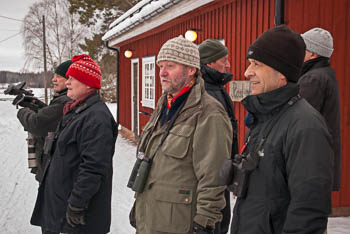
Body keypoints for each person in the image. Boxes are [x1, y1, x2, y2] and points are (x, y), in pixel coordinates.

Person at [230, 26, 333, 234]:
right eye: (250, 63)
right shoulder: (264, 117)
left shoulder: (305, 126)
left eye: (256, 64)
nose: (247, 72)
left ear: (282, 73)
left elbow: (308, 212)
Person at [128, 35, 232, 234]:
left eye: (171, 66)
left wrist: (204, 222)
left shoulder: (209, 113)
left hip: (180, 224)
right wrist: (139, 204)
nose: (162, 73)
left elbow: (213, 177)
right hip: (151, 218)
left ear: (191, 69)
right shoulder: (163, 104)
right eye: (160, 66)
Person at [30, 54, 118, 234]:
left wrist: (77, 204)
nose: (67, 82)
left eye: (72, 78)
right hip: (61, 206)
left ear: (88, 84)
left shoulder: (96, 117)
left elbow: (93, 167)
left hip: (77, 217)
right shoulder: (76, 111)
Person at [199, 39, 238, 234]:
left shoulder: (216, 87)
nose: (228, 65)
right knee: (217, 223)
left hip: (221, 169)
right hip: (214, 174)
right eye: (224, 60)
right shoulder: (207, 91)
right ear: (209, 62)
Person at [298, 27, 341, 191]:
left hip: (311, 158)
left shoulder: (313, 79)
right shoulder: (324, 73)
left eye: (303, 48)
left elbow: (299, 118)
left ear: (313, 54)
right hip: (318, 157)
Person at [17, 60, 72, 182]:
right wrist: (35, 103)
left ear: (69, 80)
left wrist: (23, 111)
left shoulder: (65, 101)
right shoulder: (64, 99)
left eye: (58, 76)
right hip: (53, 165)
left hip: (53, 168)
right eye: (54, 76)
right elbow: (50, 114)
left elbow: (36, 123)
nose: (53, 79)